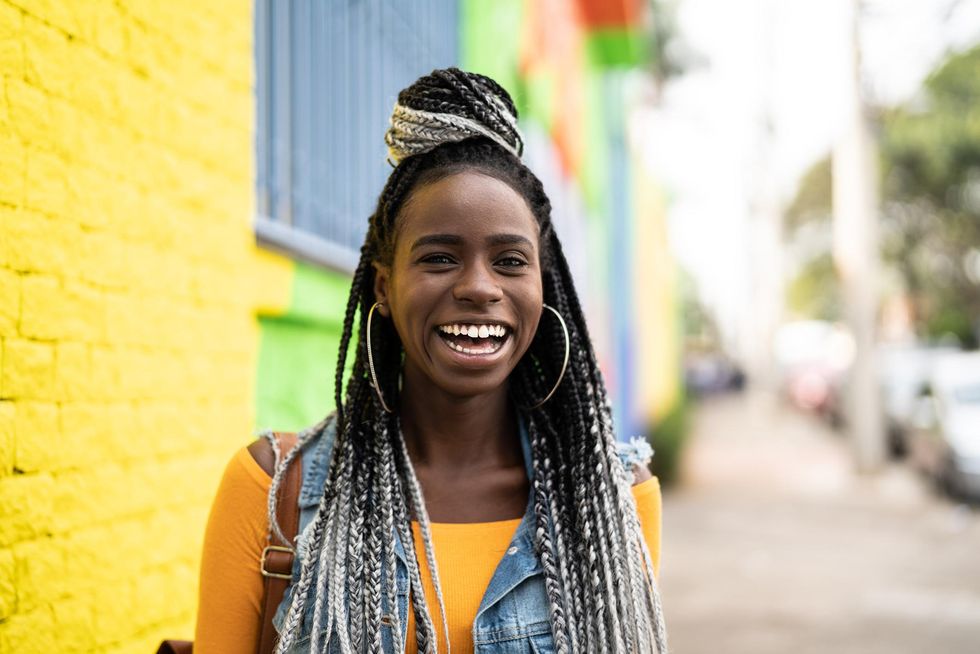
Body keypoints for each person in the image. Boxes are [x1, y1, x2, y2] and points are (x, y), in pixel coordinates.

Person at [194, 68, 668, 654]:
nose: (479, 287)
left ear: (544, 287)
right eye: (440, 258)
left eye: (511, 261)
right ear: (384, 289)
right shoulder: (271, 494)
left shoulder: (615, 499)